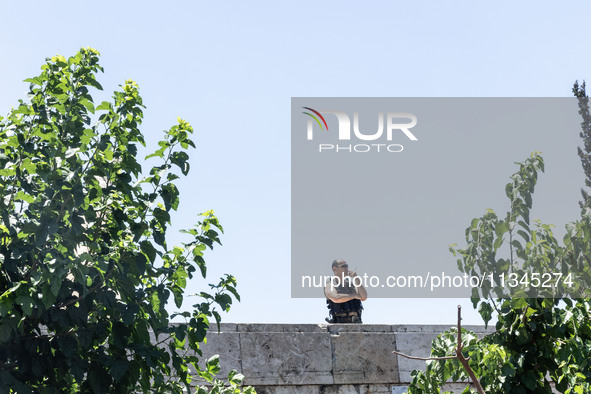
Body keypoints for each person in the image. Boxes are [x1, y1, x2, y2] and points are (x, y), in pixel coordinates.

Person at [324, 259, 367, 323]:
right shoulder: (330, 284)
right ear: (334, 269)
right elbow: (336, 298)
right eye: (343, 266)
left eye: (347, 266)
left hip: (356, 322)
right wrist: (354, 295)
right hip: (339, 323)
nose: (346, 268)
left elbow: (364, 297)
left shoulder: (352, 285)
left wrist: (356, 279)